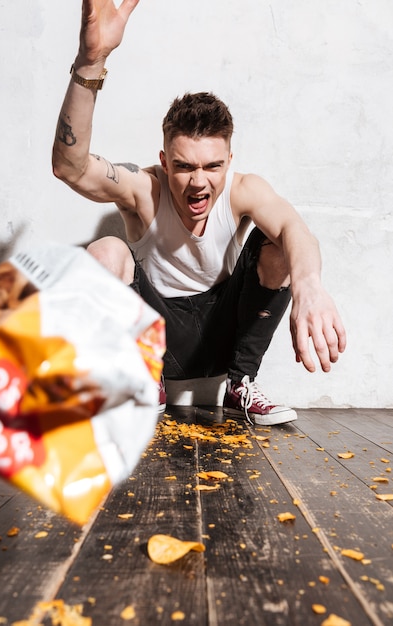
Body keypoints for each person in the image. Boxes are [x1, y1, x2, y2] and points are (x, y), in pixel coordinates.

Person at [52, 0, 346, 426]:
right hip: (159, 334)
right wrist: (90, 61)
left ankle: (240, 386)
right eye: (185, 166)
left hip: (224, 333)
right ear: (164, 161)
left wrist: (310, 287)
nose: (199, 182)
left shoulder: (244, 189)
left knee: (277, 241)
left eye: (212, 166)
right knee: (106, 248)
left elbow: (295, 229)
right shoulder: (144, 189)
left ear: (229, 160)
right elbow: (69, 167)